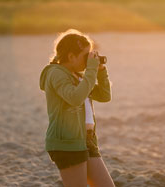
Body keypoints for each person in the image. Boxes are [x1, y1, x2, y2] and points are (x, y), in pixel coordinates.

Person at [39, 29, 115, 187]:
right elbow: (75, 98)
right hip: (67, 142)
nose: (89, 60)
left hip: (86, 140)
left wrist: (100, 71)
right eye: (85, 56)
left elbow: (105, 95)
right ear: (71, 56)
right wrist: (91, 70)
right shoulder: (56, 74)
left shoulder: (78, 76)